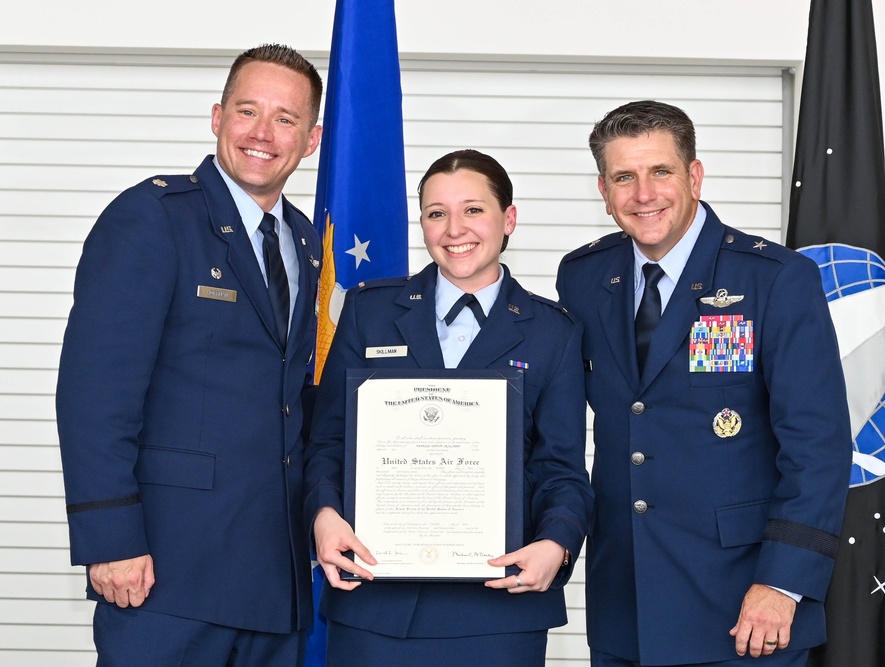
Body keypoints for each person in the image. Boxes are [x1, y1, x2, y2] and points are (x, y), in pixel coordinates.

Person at [556, 101, 852, 667]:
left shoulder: (775, 278)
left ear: (694, 175)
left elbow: (819, 445)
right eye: (625, 177)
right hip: (625, 599)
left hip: (744, 605)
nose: (644, 194)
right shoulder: (583, 275)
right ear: (603, 189)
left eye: (661, 172)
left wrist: (783, 585)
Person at [56, 44, 324, 665]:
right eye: (247, 111)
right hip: (165, 573)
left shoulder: (306, 241)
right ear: (216, 117)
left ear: (310, 141)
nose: (262, 133)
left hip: (272, 576)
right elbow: (95, 393)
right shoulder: (152, 218)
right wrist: (110, 538)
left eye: (285, 119)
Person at [302, 149, 594, 667]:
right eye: (437, 213)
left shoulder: (555, 332)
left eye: (473, 210)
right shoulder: (369, 311)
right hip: (377, 609)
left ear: (509, 220)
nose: (454, 228)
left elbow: (561, 467)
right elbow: (328, 441)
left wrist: (557, 543)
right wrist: (324, 514)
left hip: (499, 612)